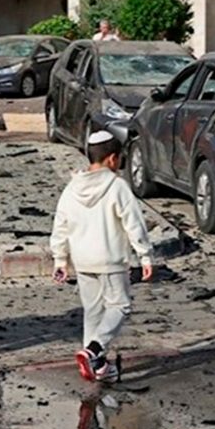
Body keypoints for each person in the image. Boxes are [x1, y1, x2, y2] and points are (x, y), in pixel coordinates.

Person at [50, 131, 153, 382]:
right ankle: (94, 351)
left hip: (83, 260)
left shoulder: (72, 188)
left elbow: (60, 225)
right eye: (119, 160)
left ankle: (99, 368)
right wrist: (145, 256)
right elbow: (134, 224)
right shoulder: (117, 187)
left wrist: (60, 259)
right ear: (111, 159)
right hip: (111, 259)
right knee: (120, 306)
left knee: (93, 312)